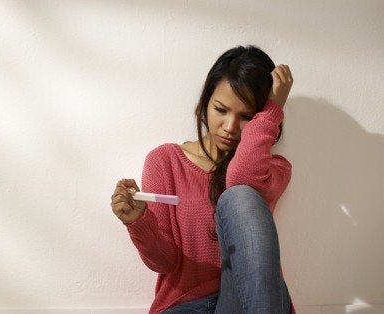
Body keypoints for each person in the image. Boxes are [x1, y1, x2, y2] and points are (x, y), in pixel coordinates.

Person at [110, 45, 294, 313]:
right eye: (221, 110)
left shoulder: (271, 169)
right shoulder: (165, 161)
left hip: (249, 303)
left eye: (247, 117)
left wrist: (272, 110)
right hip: (187, 305)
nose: (230, 127)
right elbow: (164, 263)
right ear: (204, 103)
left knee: (240, 195)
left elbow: (241, 178)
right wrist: (139, 222)